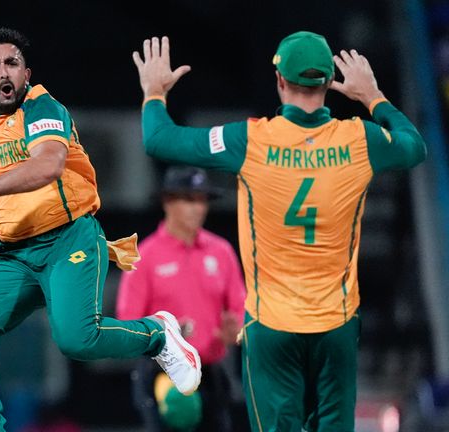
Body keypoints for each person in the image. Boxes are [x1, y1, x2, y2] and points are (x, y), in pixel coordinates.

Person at [0, 27, 201, 432]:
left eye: (12, 63)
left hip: (68, 239)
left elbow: (46, 165)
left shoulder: (43, 106)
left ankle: (157, 332)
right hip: (14, 254)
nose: (5, 73)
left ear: (26, 73)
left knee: (76, 341)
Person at [131, 32, 427, 431]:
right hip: (334, 327)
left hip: (272, 328)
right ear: (327, 83)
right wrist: (373, 96)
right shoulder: (361, 140)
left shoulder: (251, 140)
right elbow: (414, 146)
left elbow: (158, 140)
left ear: (279, 81)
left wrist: (154, 93)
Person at [116, 165, 245, 431]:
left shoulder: (221, 252)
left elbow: (240, 309)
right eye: (189, 200)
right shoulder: (146, 256)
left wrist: (237, 330)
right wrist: (166, 335)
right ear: (167, 202)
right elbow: (127, 323)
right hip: (162, 374)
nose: (198, 208)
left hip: (210, 370)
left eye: (201, 200)